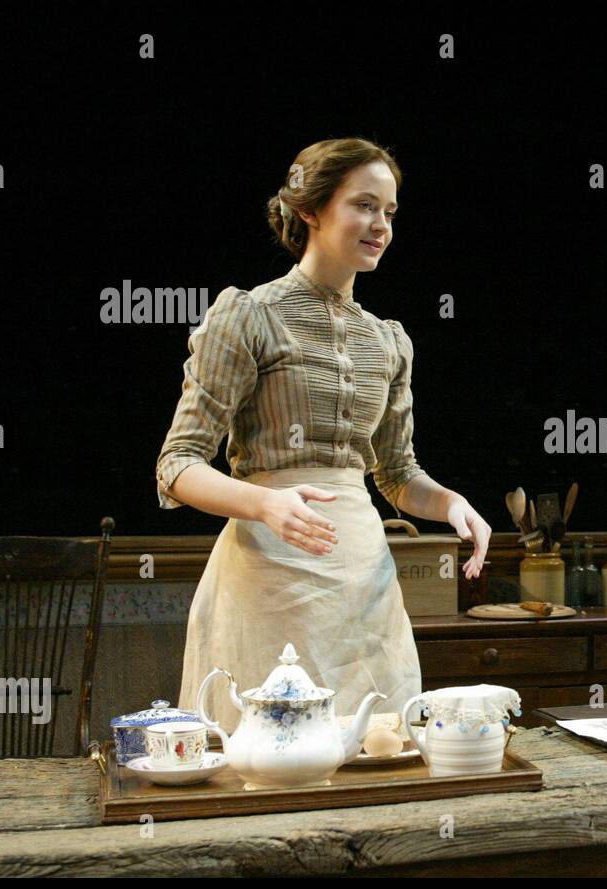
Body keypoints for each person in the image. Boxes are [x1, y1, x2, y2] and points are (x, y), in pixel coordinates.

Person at [155, 137, 490, 734]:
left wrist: (451, 504)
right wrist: (265, 502)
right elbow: (177, 466)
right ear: (310, 209)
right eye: (363, 205)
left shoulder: (388, 340)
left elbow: (396, 474)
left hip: (363, 582)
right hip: (269, 578)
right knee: (267, 762)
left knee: (376, 754)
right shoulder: (248, 316)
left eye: (389, 212)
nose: (379, 225)